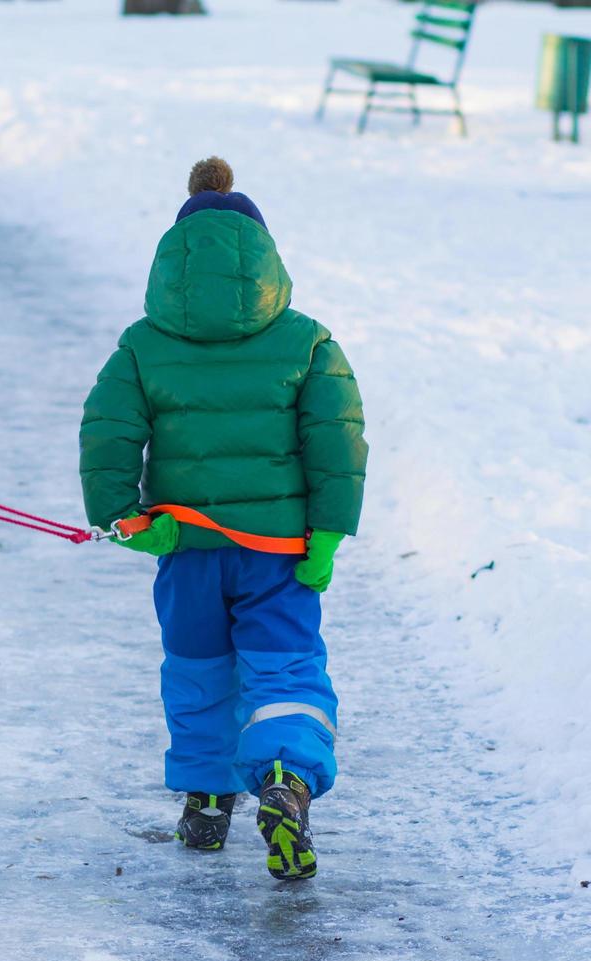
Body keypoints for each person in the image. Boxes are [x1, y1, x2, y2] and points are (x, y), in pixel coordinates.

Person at [79, 157, 367, 880]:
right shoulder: (306, 340)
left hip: (187, 549)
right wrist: (329, 529)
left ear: (170, 262)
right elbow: (338, 438)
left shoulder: (144, 344)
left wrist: (125, 517)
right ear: (266, 258)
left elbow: (106, 431)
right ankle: (285, 779)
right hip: (279, 552)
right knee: (286, 668)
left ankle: (208, 799)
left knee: (199, 669)